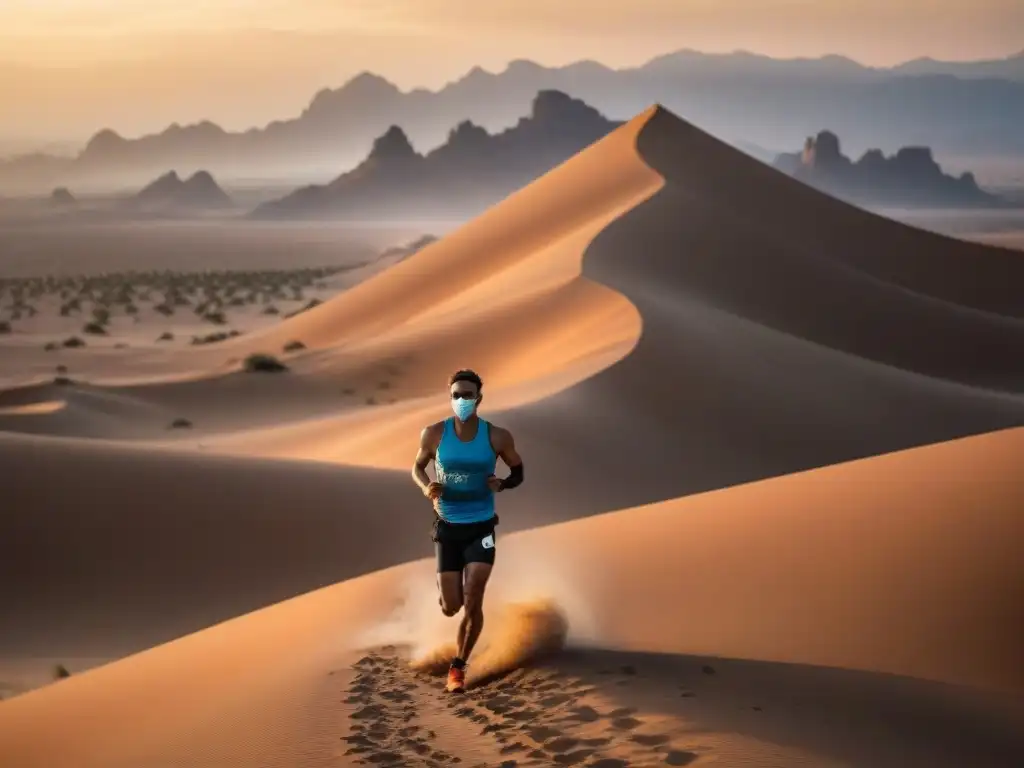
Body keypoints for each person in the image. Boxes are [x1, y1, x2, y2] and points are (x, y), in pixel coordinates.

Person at [411, 369, 524, 693]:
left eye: (468, 395)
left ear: (479, 398)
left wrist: (502, 482)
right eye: (456, 395)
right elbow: (417, 466)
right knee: (452, 606)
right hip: (447, 526)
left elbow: (518, 470)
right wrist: (425, 486)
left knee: (474, 598)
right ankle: (447, 598)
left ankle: (458, 667)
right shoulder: (433, 434)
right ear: (450, 397)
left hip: (481, 526)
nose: (462, 400)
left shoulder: (496, 436)